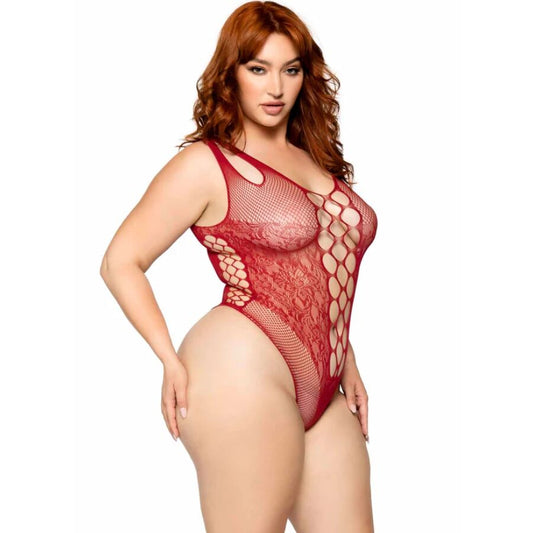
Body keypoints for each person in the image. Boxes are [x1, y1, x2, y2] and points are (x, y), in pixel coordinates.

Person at [100, 2, 378, 531]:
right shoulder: (206, 164)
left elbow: (315, 271)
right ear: (231, 73)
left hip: (325, 384)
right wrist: (168, 359)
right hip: (238, 370)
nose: (275, 87)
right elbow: (121, 261)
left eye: (290, 69)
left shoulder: (313, 157)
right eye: (258, 68)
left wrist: (346, 360)